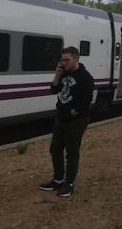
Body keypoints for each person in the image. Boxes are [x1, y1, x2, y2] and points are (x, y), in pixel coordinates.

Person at [39, 46, 95, 197]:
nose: (64, 63)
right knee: (55, 148)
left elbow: (87, 99)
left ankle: (68, 184)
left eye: (67, 60)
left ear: (76, 59)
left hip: (76, 120)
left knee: (72, 152)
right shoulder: (63, 73)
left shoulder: (85, 77)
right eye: (62, 60)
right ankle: (57, 180)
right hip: (61, 118)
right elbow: (54, 90)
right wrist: (57, 75)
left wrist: (73, 111)